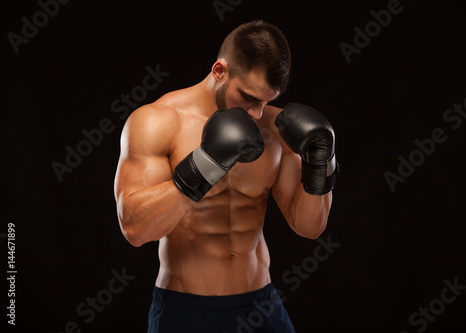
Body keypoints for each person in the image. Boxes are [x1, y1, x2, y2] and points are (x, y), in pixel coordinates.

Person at [114, 20, 338, 333]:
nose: (258, 114)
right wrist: (205, 164)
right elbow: (134, 228)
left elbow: (309, 226)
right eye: (248, 97)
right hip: (184, 309)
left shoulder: (277, 129)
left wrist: (322, 163)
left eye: (266, 100)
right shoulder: (157, 121)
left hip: (261, 306)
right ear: (220, 71)